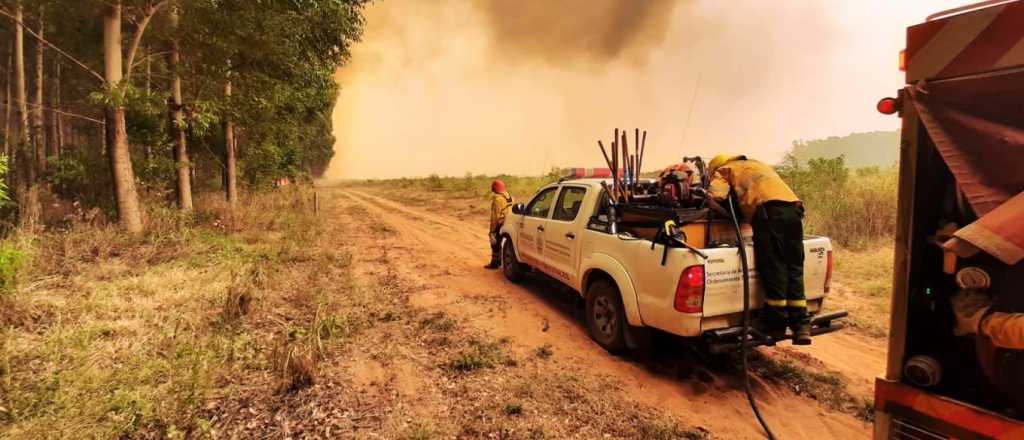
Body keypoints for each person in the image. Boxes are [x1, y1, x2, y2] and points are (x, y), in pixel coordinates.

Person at [704, 154, 811, 345]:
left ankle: (775, 324)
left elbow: (716, 195)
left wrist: (705, 195)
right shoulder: (758, 164)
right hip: (793, 210)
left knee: (774, 267)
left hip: (769, 214)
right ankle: (801, 325)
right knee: (794, 266)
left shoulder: (724, 170)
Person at [486, 179, 513, 269]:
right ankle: (502, 262)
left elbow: (495, 217)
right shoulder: (508, 196)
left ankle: (495, 263)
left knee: (495, 243)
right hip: (509, 222)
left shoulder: (497, 199)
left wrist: (492, 230)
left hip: (500, 223)